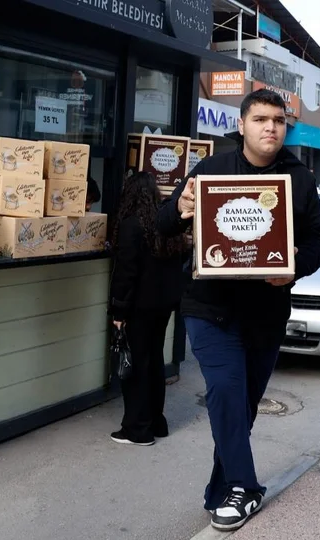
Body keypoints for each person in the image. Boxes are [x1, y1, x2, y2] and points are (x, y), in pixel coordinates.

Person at [157, 90, 320, 531]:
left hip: (265, 312)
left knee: (244, 405)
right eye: (260, 119)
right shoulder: (211, 170)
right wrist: (180, 207)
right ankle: (247, 488)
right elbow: (162, 221)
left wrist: (291, 269)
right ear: (242, 125)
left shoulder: (299, 180)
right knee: (225, 391)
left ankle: (222, 491)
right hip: (208, 307)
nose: (270, 127)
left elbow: (317, 246)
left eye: (278, 120)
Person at [108, 171, 187, 446]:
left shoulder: (131, 225)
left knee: (137, 366)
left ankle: (137, 430)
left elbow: (126, 273)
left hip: (138, 307)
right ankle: (156, 422)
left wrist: (118, 312)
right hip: (163, 305)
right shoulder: (164, 224)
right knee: (154, 361)